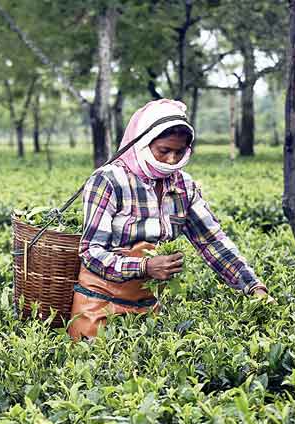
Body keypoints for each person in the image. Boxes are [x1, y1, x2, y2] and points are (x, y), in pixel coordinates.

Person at [69, 99, 269, 340]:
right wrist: (144, 266)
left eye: (180, 152)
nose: (172, 160)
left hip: (149, 305)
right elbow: (91, 252)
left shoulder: (183, 185)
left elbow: (212, 242)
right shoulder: (109, 180)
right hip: (99, 303)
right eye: (164, 151)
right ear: (143, 143)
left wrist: (253, 286)